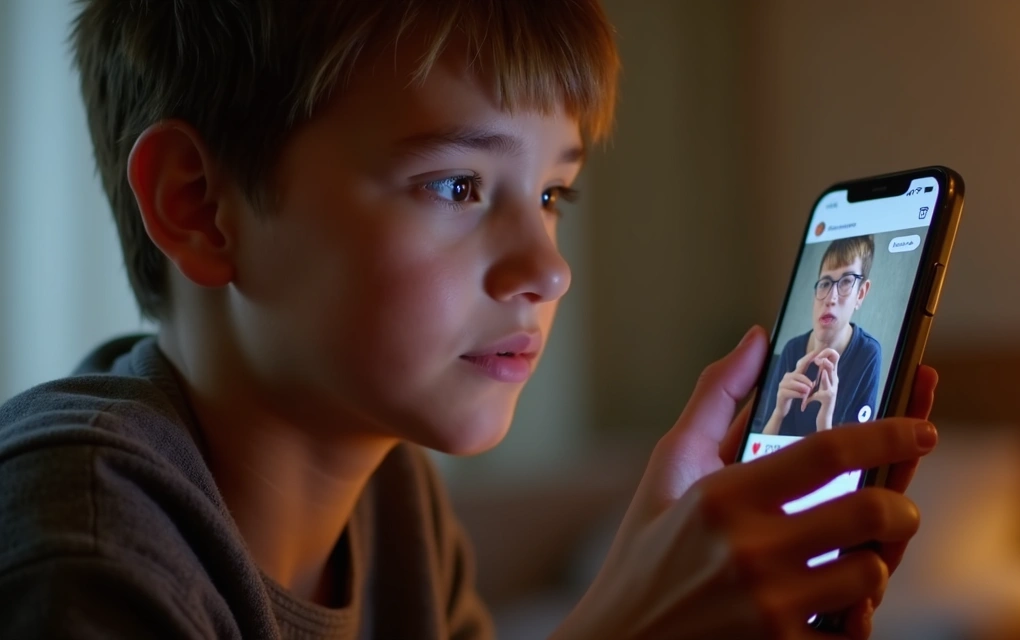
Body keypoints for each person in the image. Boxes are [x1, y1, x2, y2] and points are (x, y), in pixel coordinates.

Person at [0, 2, 939, 638]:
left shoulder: (392, 501)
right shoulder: (81, 545)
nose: (549, 268)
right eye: (455, 185)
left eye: (552, 192)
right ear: (199, 205)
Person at [759, 235, 882, 436]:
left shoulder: (867, 353)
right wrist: (779, 413)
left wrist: (825, 419)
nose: (831, 298)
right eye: (825, 283)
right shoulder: (792, 349)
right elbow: (761, 449)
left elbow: (855, 457)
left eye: (846, 282)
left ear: (860, 294)